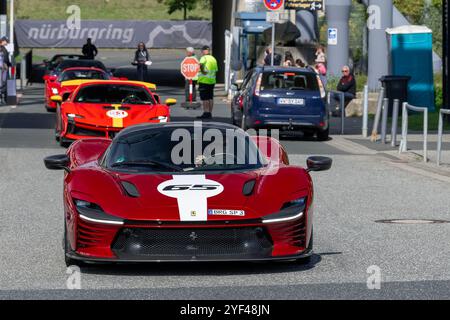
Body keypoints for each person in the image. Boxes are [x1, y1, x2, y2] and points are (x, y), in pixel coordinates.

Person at [197, 45, 218, 119]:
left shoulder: (204, 58)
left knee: (205, 98)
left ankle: (206, 112)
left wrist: (202, 71)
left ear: (204, 51)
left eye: (202, 51)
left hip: (204, 81)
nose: (202, 52)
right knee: (210, 97)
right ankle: (210, 112)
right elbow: (216, 70)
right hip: (212, 81)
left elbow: (201, 65)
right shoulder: (213, 59)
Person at [0, 36, 11, 103]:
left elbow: (6, 59)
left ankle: (3, 98)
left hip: (4, 68)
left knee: (4, 83)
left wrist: (9, 64)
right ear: (3, 40)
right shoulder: (1, 48)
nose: (7, 44)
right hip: (2, 69)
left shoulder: (3, 48)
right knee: (3, 83)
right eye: (6, 42)